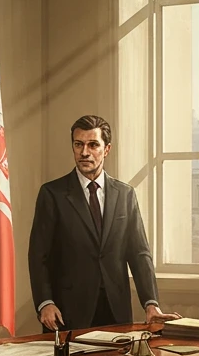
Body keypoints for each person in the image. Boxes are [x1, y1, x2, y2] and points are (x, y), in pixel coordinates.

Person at [28, 114, 177, 330]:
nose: (84, 152)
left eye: (93, 145)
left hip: (116, 311)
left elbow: (139, 253)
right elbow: (38, 255)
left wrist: (150, 303)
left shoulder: (125, 194)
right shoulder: (52, 194)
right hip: (67, 312)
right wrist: (45, 303)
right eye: (78, 144)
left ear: (106, 149)